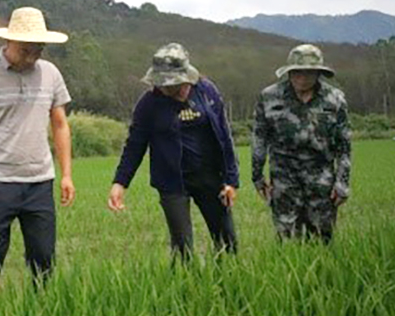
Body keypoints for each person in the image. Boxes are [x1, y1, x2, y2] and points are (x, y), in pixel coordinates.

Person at [0, 7, 75, 294]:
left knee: (43, 258)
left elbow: (60, 124)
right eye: (26, 49)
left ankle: (42, 311)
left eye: (38, 49)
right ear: (9, 42)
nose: (33, 55)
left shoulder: (50, 74)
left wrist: (66, 175)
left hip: (39, 181)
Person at [108, 43, 239, 258]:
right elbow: (135, 145)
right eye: (167, 87)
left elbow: (224, 136)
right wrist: (120, 183)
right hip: (172, 183)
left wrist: (231, 180)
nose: (175, 91)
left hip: (210, 177)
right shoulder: (149, 105)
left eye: (179, 85)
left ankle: (227, 284)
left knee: (227, 241)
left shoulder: (207, 92)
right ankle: (184, 287)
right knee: (182, 249)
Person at [252, 44, 351, 243]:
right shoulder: (269, 97)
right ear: (289, 72)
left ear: (318, 74)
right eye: (296, 72)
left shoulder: (335, 100)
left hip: (321, 178)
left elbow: (344, 146)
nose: (302, 78)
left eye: (308, 73)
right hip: (283, 178)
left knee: (323, 238)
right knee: (286, 239)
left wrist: (342, 183)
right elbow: (259, 137)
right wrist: (257, 176)